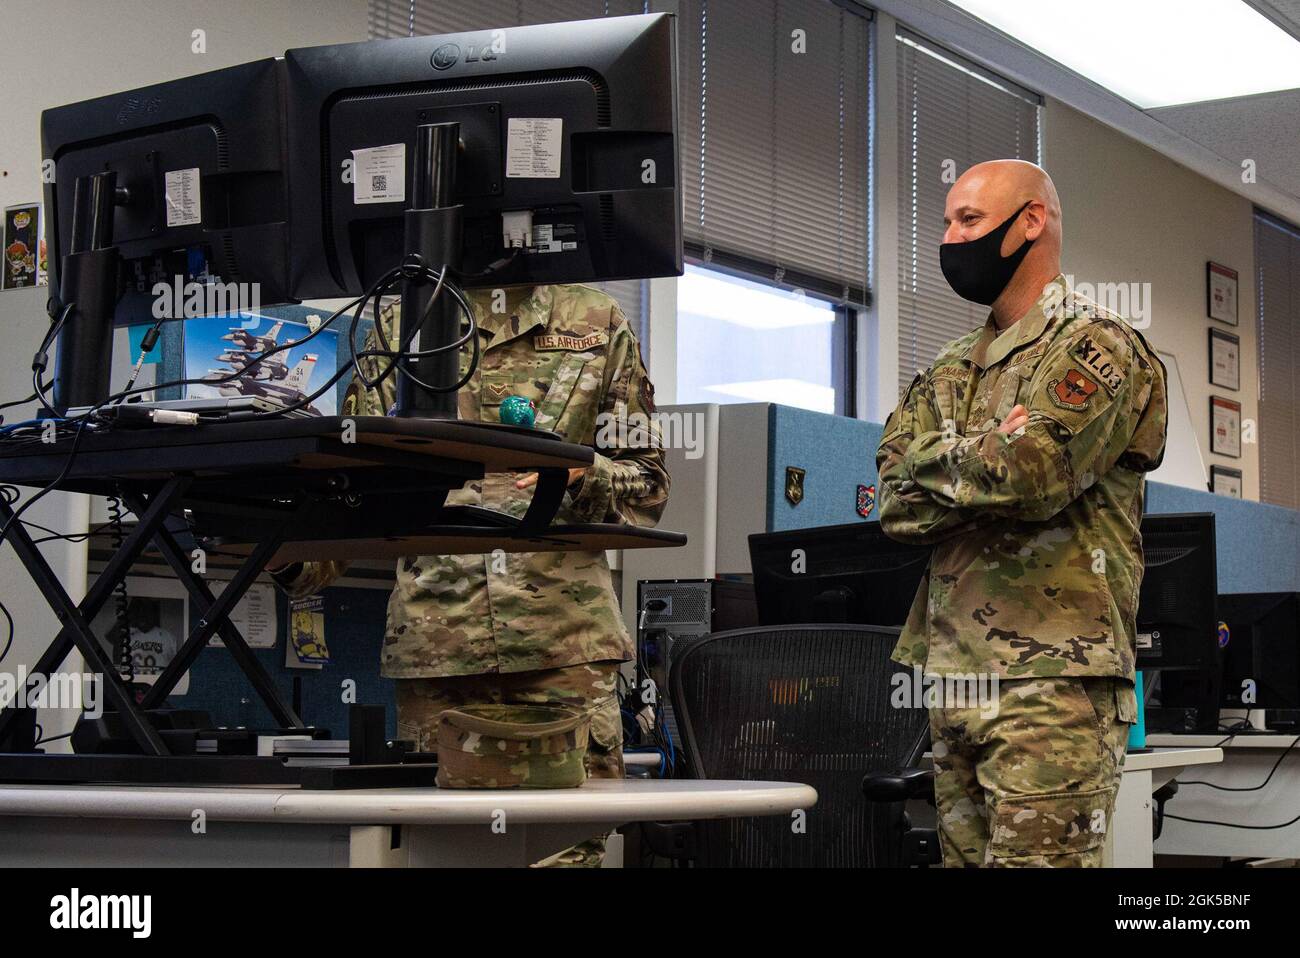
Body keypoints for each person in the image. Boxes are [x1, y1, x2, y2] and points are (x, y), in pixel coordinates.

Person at [271, 283, 669, 867]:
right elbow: (350, 497)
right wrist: (283, 552)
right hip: (440, 658)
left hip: (563, 651)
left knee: (567, 852)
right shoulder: (398, 323)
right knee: (441, 853)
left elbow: (649, 486)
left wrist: (585, 475)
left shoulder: (596, 319)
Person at [876, 159, 1167, 867]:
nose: (950, 237)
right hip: (954, 675)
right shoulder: (950, 365)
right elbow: (892, 500)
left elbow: (1031, 475)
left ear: (1030, 221)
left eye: (968, 220)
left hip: (1054, 684)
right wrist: (980, 452)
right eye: (946, 221)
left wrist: (941, 455)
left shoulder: (1097, 345)